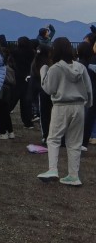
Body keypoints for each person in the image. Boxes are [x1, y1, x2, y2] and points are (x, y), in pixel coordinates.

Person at [37, 37, 93, 185]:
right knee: (75, 142)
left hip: (61, 106)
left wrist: (43, 72)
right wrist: (88, 104)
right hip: (79, 106)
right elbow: (88, 88)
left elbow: (49, 89)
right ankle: (73, 176)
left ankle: (53, 169)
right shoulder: (80, 67)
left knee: (54, 138)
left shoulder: (55, 68)